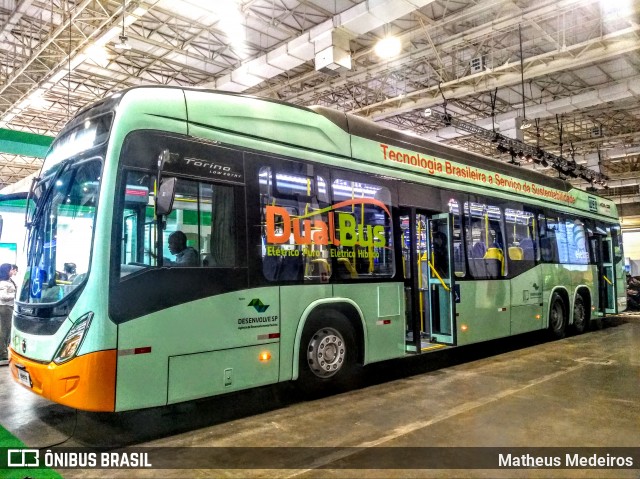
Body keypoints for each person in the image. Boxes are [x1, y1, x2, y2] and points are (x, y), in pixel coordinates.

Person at [0, 263, 16, 366]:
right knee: (4, 330)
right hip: (5, 307)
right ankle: (2, 353)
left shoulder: (9, 281)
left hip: (8, 307)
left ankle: (3, 351)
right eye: (10, 269)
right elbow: (3, 296)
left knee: (6, 330)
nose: (12, 271)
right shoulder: (3, 283)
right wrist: (16, 294)